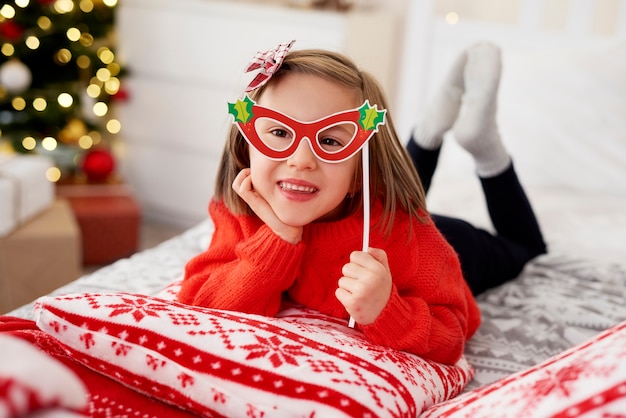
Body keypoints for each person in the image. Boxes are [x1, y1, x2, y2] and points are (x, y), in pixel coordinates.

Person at [178, 41, 481, 365]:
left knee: (522, 246)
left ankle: (479, 151)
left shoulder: (409, 236)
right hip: (358, 205)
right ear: (245, 148)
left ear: (359, 175)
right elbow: (199, 303)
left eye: (329, 140)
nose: (301, 160)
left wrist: (388, 311)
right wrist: (278, 238)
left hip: (468, 248)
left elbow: (451, 338)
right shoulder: (242, 210)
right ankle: (427, 134)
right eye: (279, 132)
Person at [406, 42, 547, 295]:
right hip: (445, 249)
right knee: (530, 249)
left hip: (433, 250)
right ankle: (431, 135)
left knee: (386, 216)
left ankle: (429, 134)